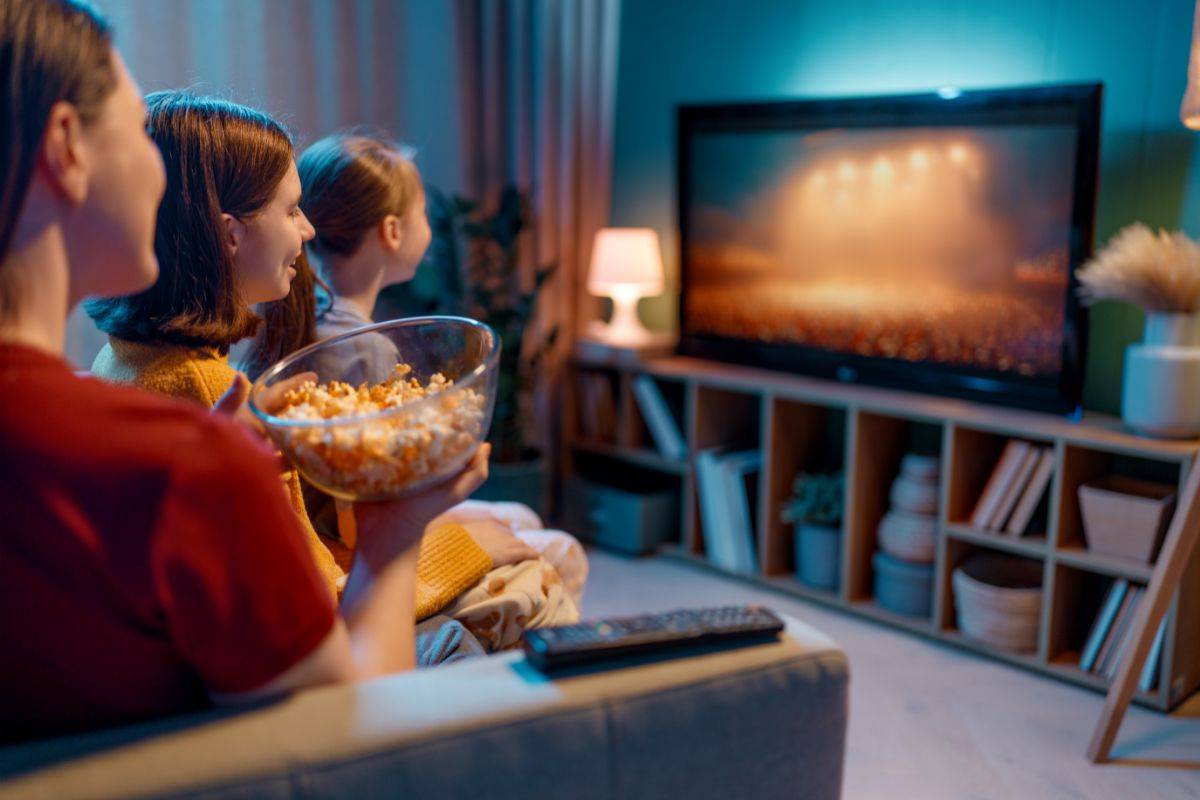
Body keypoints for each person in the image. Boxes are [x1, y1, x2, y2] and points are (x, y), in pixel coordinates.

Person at [0, 0, 491, 741]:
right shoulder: (189, 465)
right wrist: (393, 535)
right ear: (66, 147)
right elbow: (346, 742)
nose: (166, 182)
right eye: (136, 132)